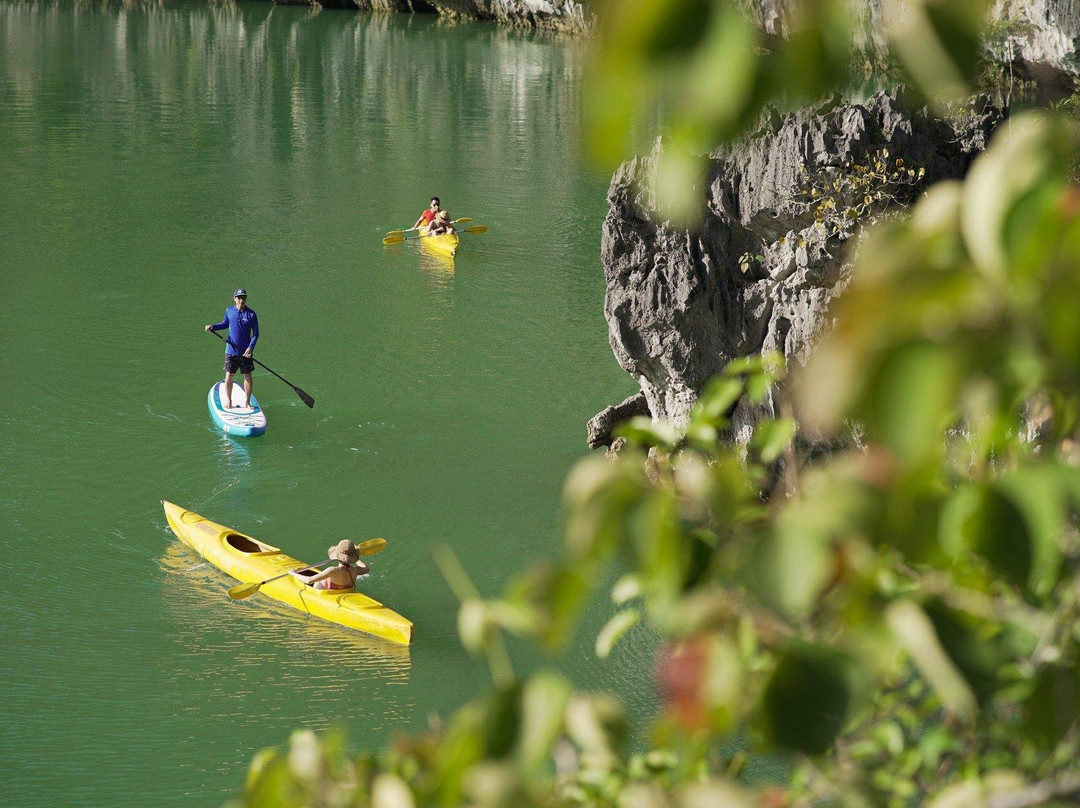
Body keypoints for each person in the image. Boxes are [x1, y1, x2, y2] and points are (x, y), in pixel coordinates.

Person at [204, 288, 259, 409]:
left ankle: (247, 402)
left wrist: (250, 348)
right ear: (234, 298)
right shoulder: (229, 311)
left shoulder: (251, 314)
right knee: (229, 375)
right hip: (231, 351)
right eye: (239, 297)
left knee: (248, 376)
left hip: (246, 352)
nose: (241, 300)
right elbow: (224, 324)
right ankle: (229, 401)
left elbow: (256, 334)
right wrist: (212, 327)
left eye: (244, 298)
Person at [290, 540, 370, 590]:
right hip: (344, 592)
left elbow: (309, 580)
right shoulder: (355, 570)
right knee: (324, 576)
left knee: (322, 578)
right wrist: (355, 557)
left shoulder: (332, 570)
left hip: (325, 594)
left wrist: (293, 573)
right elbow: (366, 568)